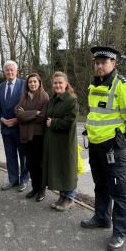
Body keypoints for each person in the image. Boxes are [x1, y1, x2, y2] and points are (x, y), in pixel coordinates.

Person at [81, 46, 126, 251]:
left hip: (112, 147)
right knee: (100, 184)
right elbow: (97, 114)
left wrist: (125, 136)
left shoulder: (123, 85)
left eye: (104, 63)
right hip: (95, 144)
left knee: (120, 190)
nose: (99, 66)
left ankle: (120, 233)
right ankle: (101, 218)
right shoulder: (94, 85)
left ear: (113, 64)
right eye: (97, 63)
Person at [42, 71, 79, 211]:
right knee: (59, 169)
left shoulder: (71, 101)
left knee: (67, 169)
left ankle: (69, 198)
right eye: (55, 83)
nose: (57, 85)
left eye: (60, 83)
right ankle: (62, 196)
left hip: (65, 142)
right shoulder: (53, 99)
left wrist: (54, 123)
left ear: (66, 84)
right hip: (54, 142)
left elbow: (70, 122)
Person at [15, 73, 49, 202]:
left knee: (39, 164)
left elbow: (43, 116)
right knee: (30, 164)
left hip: (38, 135)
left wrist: (27, 115)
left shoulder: (44, 97)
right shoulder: (24, 97)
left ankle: (41, 189)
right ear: (27, 84)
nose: (32, 84)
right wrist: (35, 113)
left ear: (39, 83)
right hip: (25, 135)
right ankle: (34, 188)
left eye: (35, 82)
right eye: (30, 82)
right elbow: (18, 114)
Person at [0, 60, 29, 192]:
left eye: (12, 70)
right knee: (10, 156)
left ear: (16, 71)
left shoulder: (24, 84)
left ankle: (24, 180)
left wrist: (18, 119)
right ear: (4, 72)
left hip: (21, 127)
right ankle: (13, 180)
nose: (10, 72)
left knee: (23, 156)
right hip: (6, 128)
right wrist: (1, 119)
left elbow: (29, 105)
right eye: (7, 70)